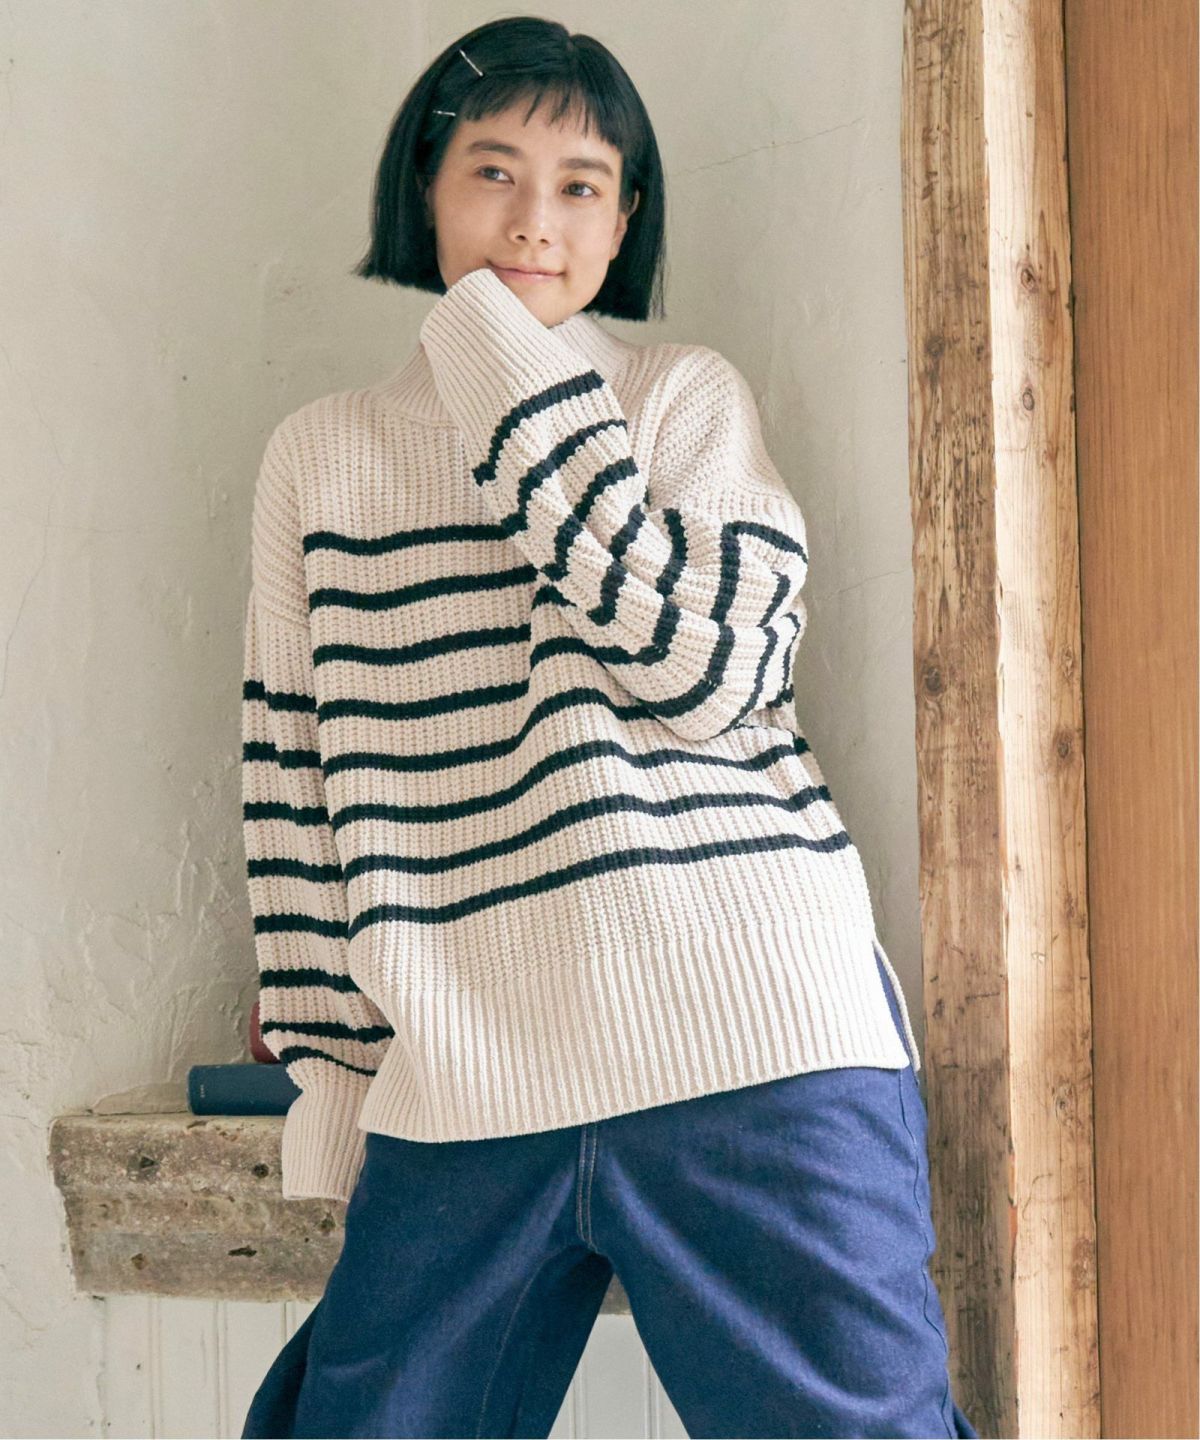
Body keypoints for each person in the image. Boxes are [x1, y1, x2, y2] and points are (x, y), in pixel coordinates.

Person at [240, 15, 979, 1438]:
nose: (535, 220)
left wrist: (513, 374)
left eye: (581, 185)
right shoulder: (321, 458)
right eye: (493, 172)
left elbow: (708, 676)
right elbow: (295, 788)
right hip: (467, 1072)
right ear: (423, 189)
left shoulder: (681, 398)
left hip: (745, 1039)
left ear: (625, 218)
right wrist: (336, 1084)